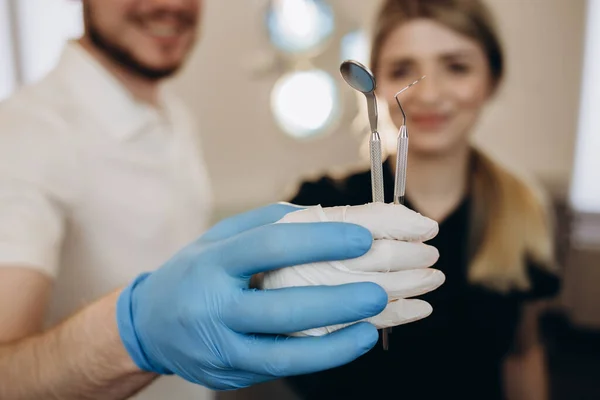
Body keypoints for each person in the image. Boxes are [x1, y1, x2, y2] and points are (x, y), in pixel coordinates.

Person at [0, 0, 445, 399]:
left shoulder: (172, 117)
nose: (170, 4)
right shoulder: (25, 136)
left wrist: (262, 285)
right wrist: (136, 332)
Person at [281, 0, 561, 399]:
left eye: (457, 66)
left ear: (492, 78)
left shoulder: (521, 211)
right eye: (402, 70)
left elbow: (522, 353)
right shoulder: (322, 205)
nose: (428, 93)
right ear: (376, 84)